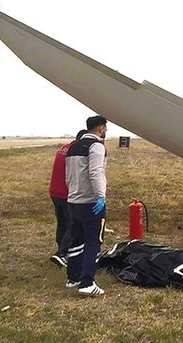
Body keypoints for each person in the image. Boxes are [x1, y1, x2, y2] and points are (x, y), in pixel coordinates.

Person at [65, 115, 108, 296]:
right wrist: (100, 196)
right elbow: (96, 172)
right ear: (100, 129)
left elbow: (69, 176)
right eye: (105, 128)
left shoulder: (73, 146)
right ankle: (87, 283)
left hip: (73, 201)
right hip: (90, 202)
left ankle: (72, 278)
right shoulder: (96, 146)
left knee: (76, 240)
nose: (105, 131)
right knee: (93, 243)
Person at [49, 129, 87, 267]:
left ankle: (60, 249)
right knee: (73, 223)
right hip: (67, 193)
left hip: (54, 191)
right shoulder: (76, 151)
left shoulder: (64, 148)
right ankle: (62, 254)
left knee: (62, 223)